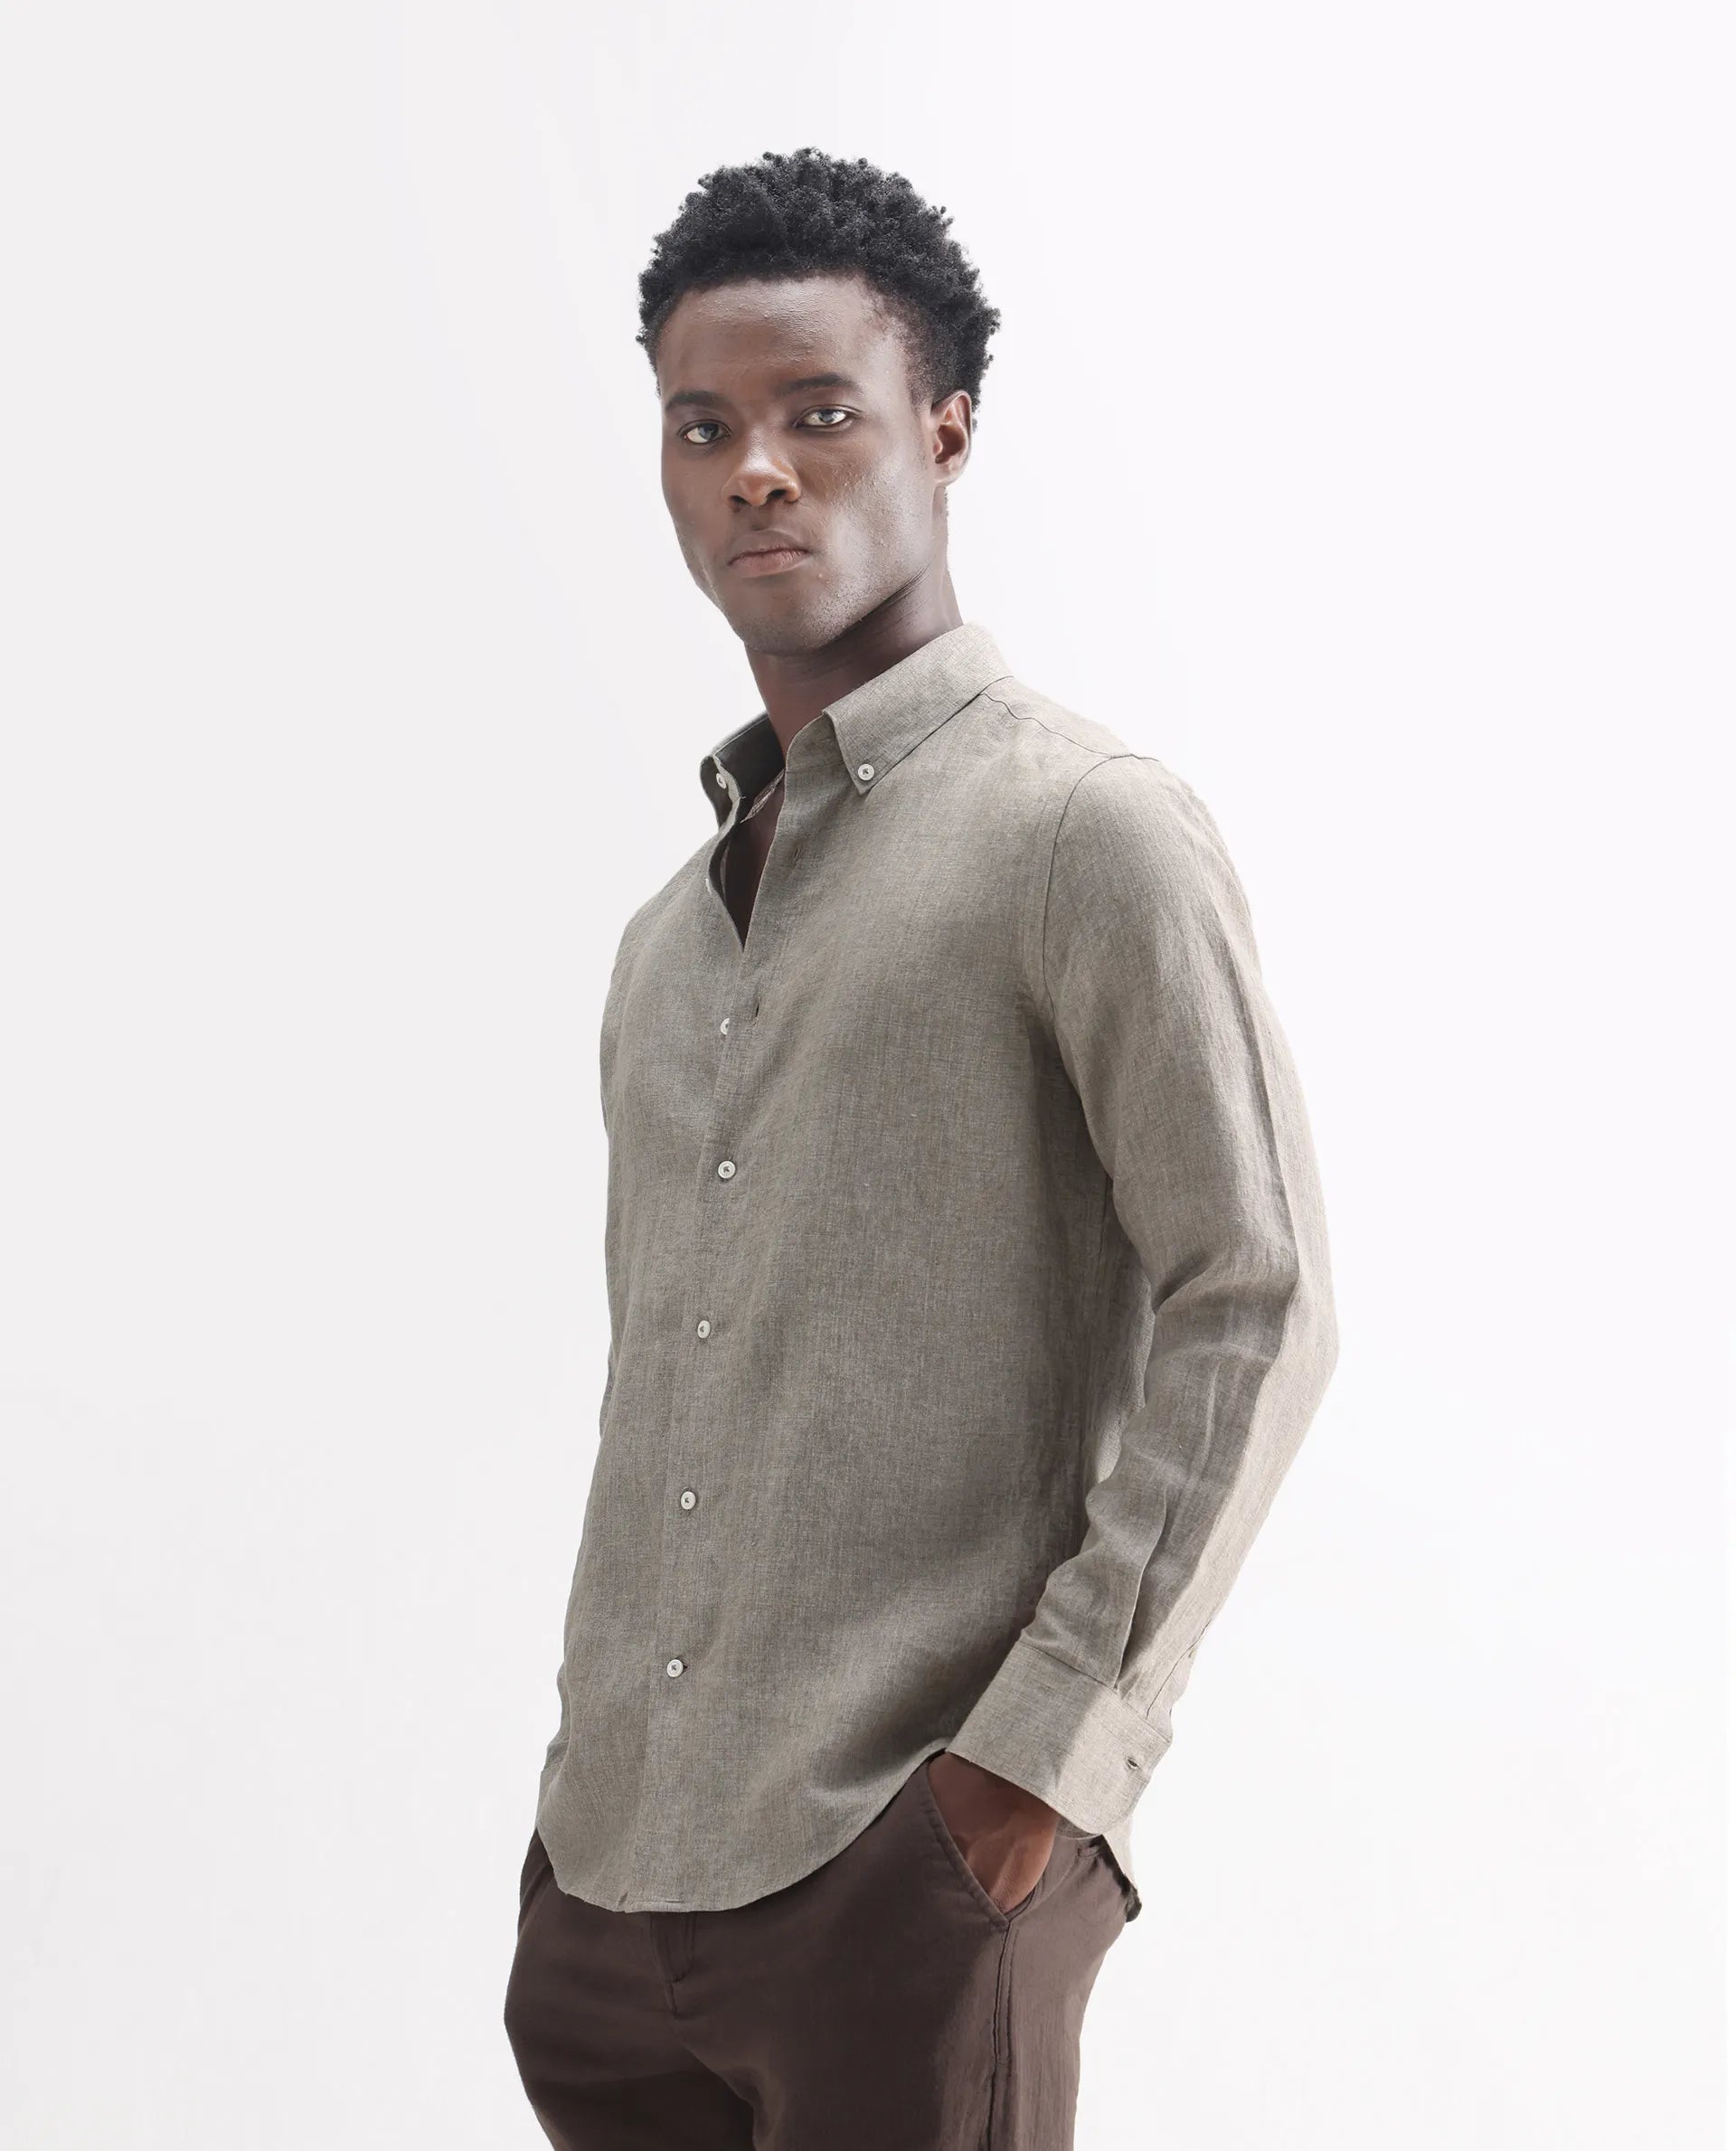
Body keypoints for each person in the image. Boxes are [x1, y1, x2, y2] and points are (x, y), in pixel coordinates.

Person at [504, 146, 1338, 2150]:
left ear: (945, 430)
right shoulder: (664, 942)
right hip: (611, 1890)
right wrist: (577, 1818)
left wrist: (1043, 1761)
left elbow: (1256, 1296)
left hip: (910, 1869)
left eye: (819, 414)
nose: (755, 473)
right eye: (703, 428)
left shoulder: (1084, 834)